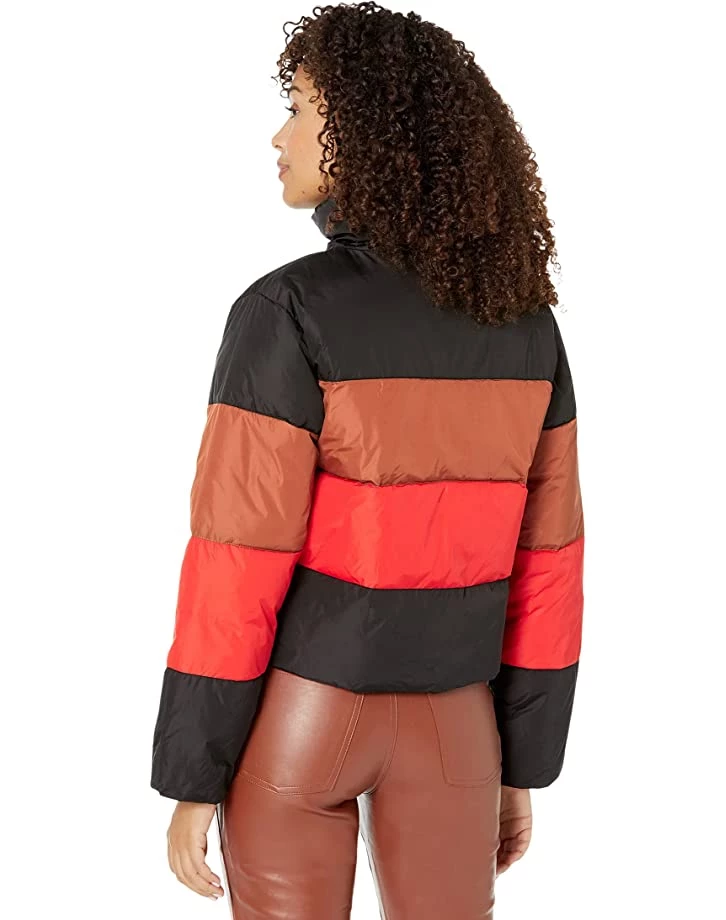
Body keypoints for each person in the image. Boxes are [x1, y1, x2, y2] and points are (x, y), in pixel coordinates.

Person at [150, 3, 584, 917]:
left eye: (299, 109)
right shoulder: (526, 325)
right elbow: (550, 565)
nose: (278, 136)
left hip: (305, 720)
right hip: (461, 729)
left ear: (366, 130)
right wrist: (521, 764)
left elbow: (237, 558)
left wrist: (195, 773)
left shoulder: (286, 311)